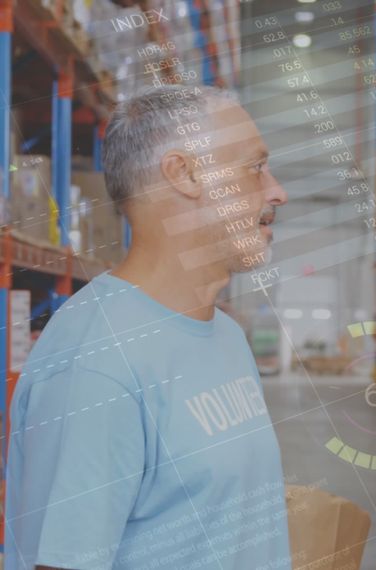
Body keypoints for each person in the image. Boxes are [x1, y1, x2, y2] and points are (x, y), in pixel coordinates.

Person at [5, 85, 291, 569]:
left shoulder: (224, 335)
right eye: (255, 168)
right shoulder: (98, 364)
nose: (278, 191)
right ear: (184, 173)